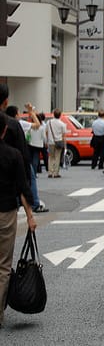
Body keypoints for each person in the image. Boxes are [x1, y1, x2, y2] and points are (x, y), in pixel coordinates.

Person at [0, 112, 37, 328]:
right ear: (4, 131)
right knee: (4, 266)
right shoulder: (13, 155)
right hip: (6, 212)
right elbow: (23, 188)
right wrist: (30, 217)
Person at [6, 105, 48, 213]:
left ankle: (16, 202)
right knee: (31, 178)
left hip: (7, 155)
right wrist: (31, 112)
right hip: (20, 155)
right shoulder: (19, 123)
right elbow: (37, 125)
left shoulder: (4, 122)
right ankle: (34, 203)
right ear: (16, 114)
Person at [45, 108, 67, 178]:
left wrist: (47, 140)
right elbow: (64, 136)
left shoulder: (49, 122)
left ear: (53, 114)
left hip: (51, 142)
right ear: (60, 115)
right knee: (57, 157)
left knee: (51, 157)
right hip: (59, 142)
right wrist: (65, 145)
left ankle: (50, 172)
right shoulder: (62, 124)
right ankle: (56, 173)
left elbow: (46, 132)